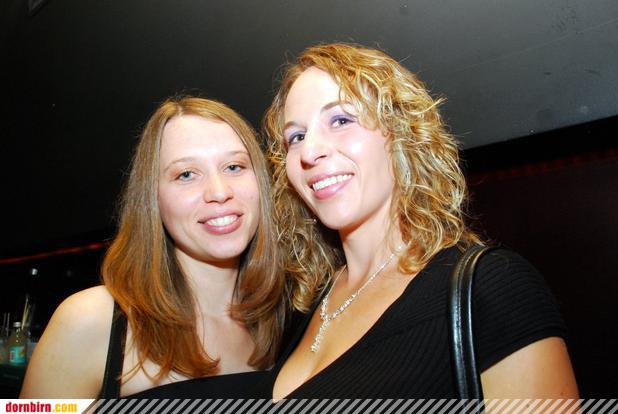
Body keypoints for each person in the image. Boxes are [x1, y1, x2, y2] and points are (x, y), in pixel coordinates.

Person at [263, 43, 579, 399]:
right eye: (296, 137)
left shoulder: (493, 287)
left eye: (341, 120)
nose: (309, 151)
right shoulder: (305, 303)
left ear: (400, 132)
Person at [21, 97, 286, 398]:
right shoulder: (91, 320)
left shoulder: (287, 321)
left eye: (234, 166)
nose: (219, 191)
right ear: (153, 199)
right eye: (186, 174)